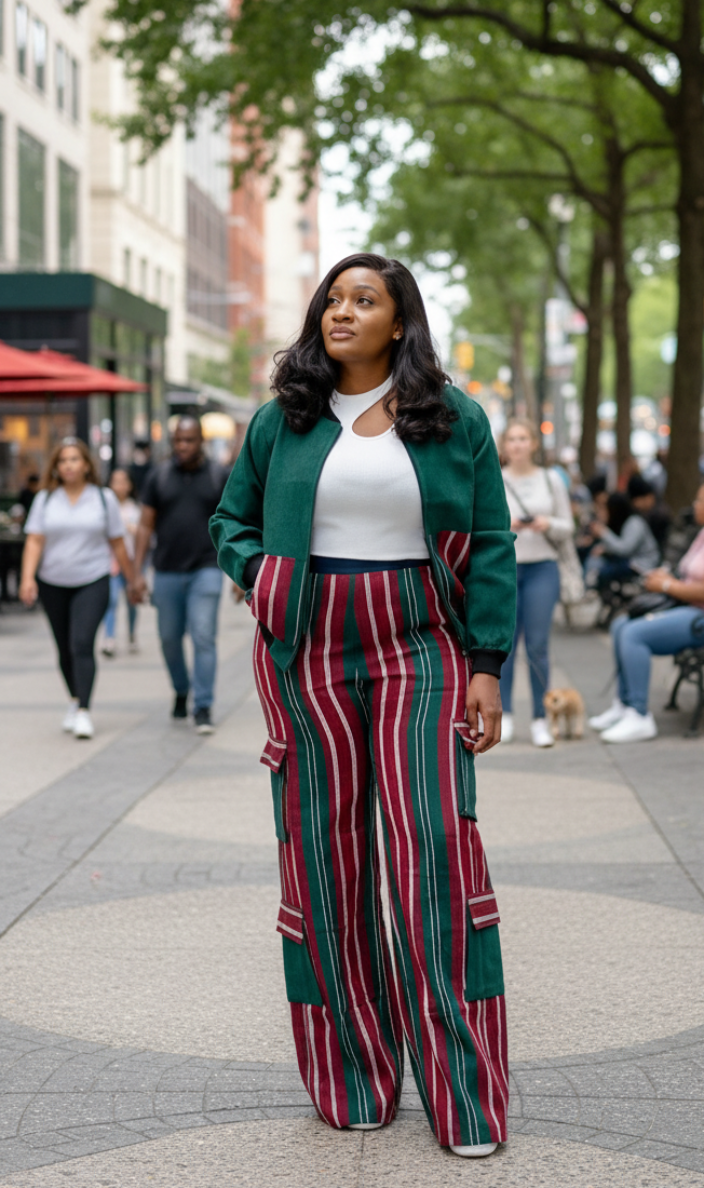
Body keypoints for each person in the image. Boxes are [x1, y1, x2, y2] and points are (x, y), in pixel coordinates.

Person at [210, 253, 516, 1158]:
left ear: (399, 321)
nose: (342, 313)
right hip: (307, 653)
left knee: (434, 854)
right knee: (324, 859)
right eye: (333, 301)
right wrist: (260, 573)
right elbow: (234, 521)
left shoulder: (454, 419)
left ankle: (466, 1096)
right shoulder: (282, 420)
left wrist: (487, 664)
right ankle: (354, 1076)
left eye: (364, 300)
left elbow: (491, 540)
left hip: (421, 646)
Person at [18, 438, 135, 740]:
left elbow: (118, 543)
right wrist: (27, 578)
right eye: (62, 460)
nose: (68, 465)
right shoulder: (45, 499)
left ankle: (84, 710)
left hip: (92, 579)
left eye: (74, 459)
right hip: (52, 581)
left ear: (86, 464)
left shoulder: (102, 498)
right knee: (64, 647)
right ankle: (73, 699)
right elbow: (34, 540)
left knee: (81, 643)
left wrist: (132, 579)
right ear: (56, 467)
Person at [132, 416, 228, 735]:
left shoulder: (218, 475)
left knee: (203, 635)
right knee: (169, 638)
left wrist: (242, 571)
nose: (182, 446)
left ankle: (202, 705)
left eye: (189, 440)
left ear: (201, 441)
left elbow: (235, 521)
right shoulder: (158, 476)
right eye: (178, 440)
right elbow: (145, 524)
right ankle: (181, 689)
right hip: (167, 570)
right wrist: (136, 572)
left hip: (207, 567)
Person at [589, 483, 704, 742]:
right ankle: (625, 704)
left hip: (698, 617)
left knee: (633, 633)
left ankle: (640, 716)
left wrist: (666, 585)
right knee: (620, 625)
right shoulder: (700, 534)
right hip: (685, 608)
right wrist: (667, 577)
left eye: (699, 501)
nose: (694, 506)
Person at [499, 417, 574, 747]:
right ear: (504, 446)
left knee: (538, 647)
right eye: (511, 439)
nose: (517, 444)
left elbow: (568, 526)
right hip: (505, 570)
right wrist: (508, 522)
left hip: (543, 567)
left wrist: (546, 523)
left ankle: (542, 718)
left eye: (523, 438)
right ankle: (505, 715)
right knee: (505, 646)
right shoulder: (495, 479)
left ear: (533, 443)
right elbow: (480, 525)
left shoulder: (550, 479)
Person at [586, 490, 660, 591]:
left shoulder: (634, 523)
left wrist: (603, 533)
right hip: (631, 561)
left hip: (642, 564)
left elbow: (624, 549)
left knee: (604, 572)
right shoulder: (623, 522)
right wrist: (605, 549)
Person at [101, 469, 141, 656]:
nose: (120, 485)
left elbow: (142, 534)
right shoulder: (105, 506)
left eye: (123, 481)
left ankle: (132, 635)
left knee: (132, 600)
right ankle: (109, 638)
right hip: (111, 562)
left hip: (131, 562)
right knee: (111, 600)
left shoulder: (135, 508)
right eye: (115, 481)